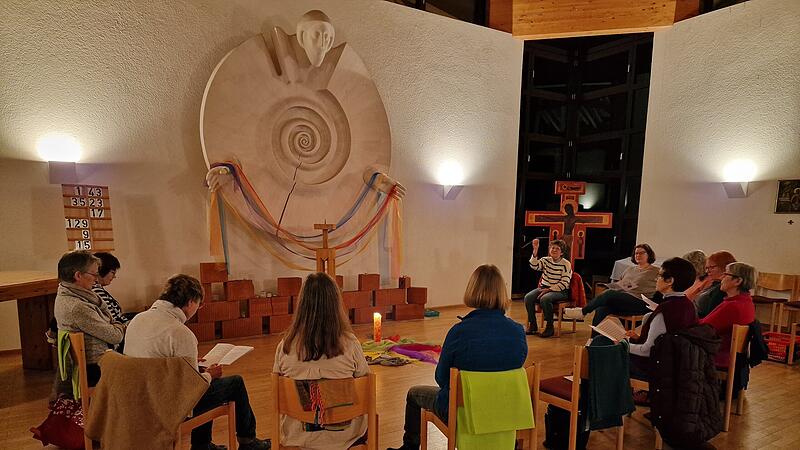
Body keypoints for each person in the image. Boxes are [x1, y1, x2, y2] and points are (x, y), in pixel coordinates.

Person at [387, 264, 527, 450]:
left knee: (414, 394)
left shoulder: (459, 332)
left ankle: (409, 448)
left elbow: (442, 378)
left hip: (464, 411)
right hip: (505, 411)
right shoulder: (518, 332)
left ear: (473, 290)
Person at [124, 274, 270, 450]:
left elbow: (160, 361)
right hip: (169, 406)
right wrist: (209, 374)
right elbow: (192, 387)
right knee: (233, 383)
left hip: (139, 398)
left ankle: (204, 444)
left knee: (206, 383)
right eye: (199, 305)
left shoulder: (137, 320)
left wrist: (194, 366)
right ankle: (248, 442)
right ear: (191, 302)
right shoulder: (180, 332)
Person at [273, 272, 369, 449]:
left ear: (302, 305)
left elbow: (279, 387)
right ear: (335, 304)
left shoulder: (285, 347)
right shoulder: (350, 344)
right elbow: (365, 383)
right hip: (344, 438)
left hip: (298, 437)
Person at [54, 250, 126, 386]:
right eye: (94, 274)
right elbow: (115, 336)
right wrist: (119, 325)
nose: (96, 278)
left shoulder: (68, 294)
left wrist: (115, 325)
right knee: (146, 365)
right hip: (97, 366)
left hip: (98, 359)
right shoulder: (77, 306)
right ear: (78, 275)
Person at [626, 257, 699, 380]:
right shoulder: (689, 305)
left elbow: (648, 351)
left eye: (659, 275)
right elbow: (667, 341)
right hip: (677, 366)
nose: (656, 279)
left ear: (670, 280)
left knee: (603, 352)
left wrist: (623, 345)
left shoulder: (665, 310)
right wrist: (639, 338)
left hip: (656, 370)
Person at [563, 244, 659, 328]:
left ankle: (583, 312)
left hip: (641, 302)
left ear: (649, 254)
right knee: (601, 309)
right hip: (625, 299)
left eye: (641, 253)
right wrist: (615, 286)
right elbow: (621, 283)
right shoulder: (629, 269)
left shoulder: (656, 271)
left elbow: (661, 288)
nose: (638, 255)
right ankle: (593, 340)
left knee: (609, 293)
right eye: (636, 253)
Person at [699, 262, 757, 368]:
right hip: (730, 355)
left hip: (716, 356)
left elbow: (703, 329)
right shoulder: (746, 302)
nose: (721, 278)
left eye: (726, 274)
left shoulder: (733, 306)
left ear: (738, 281)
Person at [523, 239, 572, 337]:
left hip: (560, 290)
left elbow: (565, 283)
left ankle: (550, 328)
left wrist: (549, 290)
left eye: (557, 249)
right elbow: (534, 266)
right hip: (544, 287)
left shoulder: (566, 264)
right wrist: (535, 250)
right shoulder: (545, 260)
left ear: (561, 252)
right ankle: (533, 325)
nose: (554, 250)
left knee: (545, 298)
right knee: (528, 297)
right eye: (552, 248)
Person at [91, 252, 132, 324]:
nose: (114, 276)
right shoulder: (96, 291)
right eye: (113, 272)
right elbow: (112, 320)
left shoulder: (97, 288)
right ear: (102, 270)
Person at [694, 251, 737, 318]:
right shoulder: (714, 285)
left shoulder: (723, 289)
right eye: (707, 268)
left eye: (712, 267)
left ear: (725, 268)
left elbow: (710, 315)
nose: (707, 271)